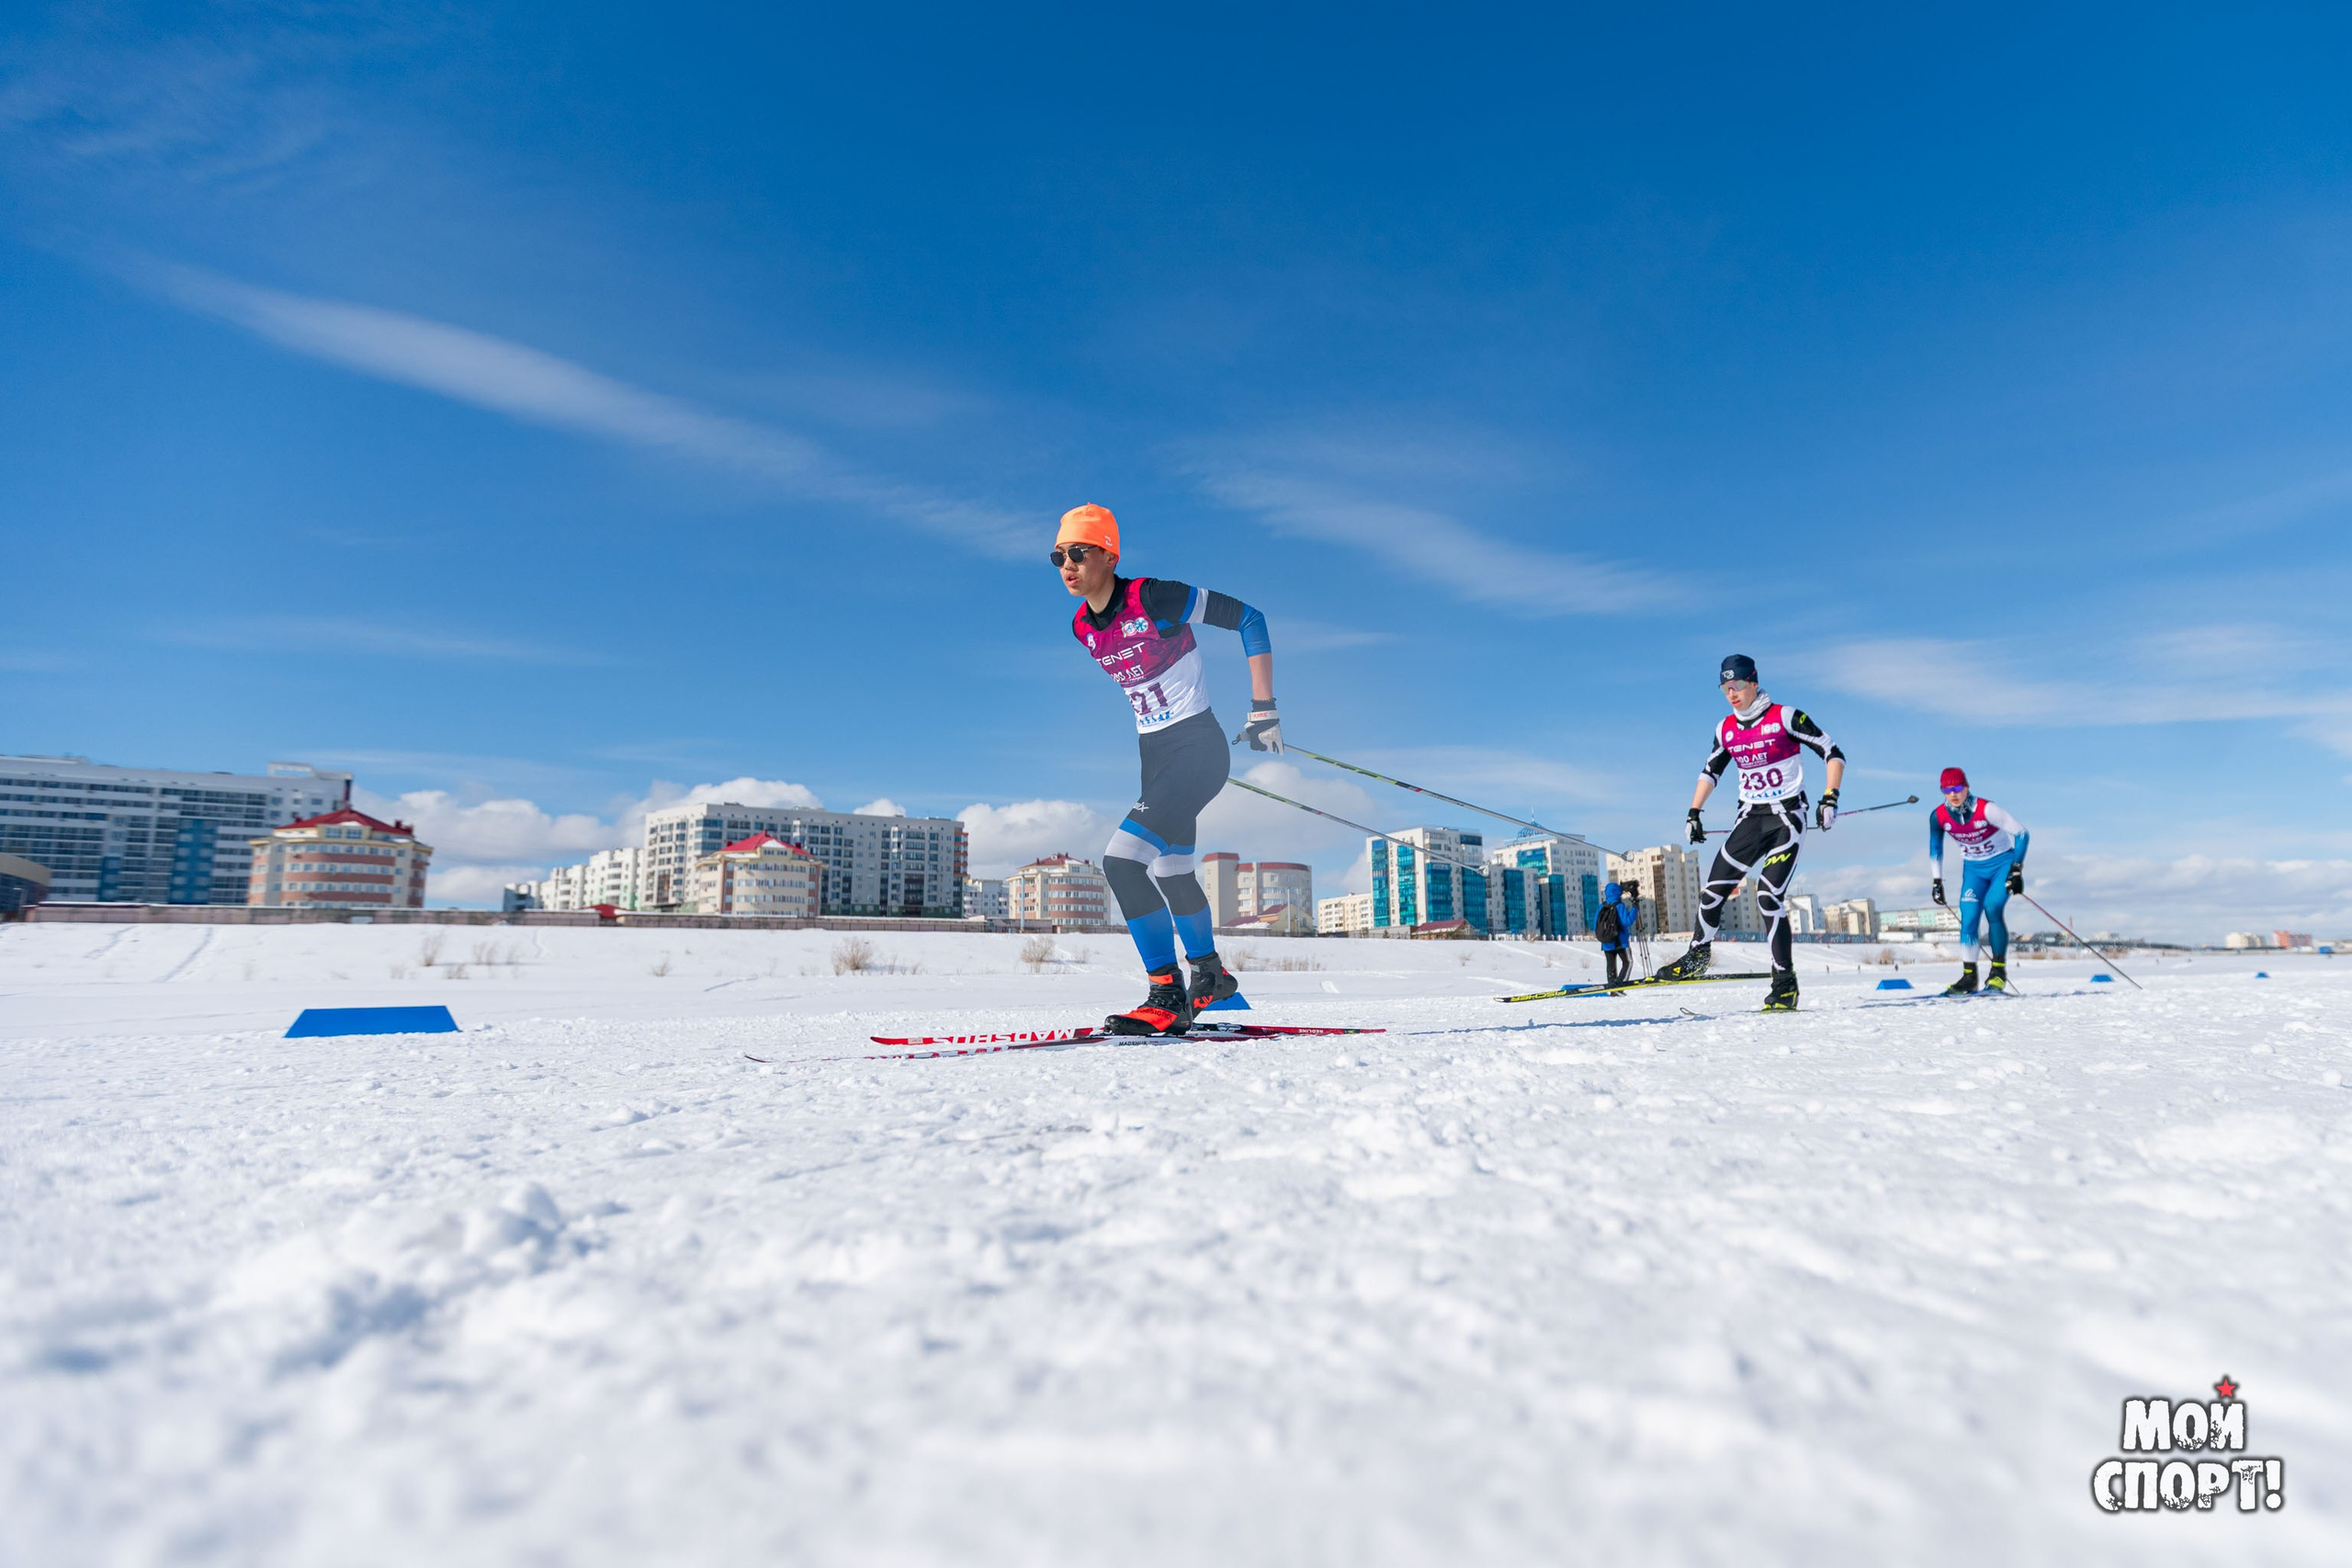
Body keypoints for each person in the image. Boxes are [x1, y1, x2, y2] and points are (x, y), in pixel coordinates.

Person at [1056, 503, 1282, 1035]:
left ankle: (1167, 995)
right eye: (1058, 556)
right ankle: (1210, 977)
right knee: (1171, 871)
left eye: (1078, 552)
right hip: (1153, 756)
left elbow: (1251, 618)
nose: (1066, 564)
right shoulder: (1081, 627)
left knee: (1122, 862)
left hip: (1196, 748)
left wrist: (1264, 708)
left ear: (1109, 554)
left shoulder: (1154, 597)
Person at [1654, 654, 1845, 1011]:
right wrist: (1694, 811)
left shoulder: (1786, 717)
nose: (1732, 693)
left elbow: (1832, 753)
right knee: (1711, 893)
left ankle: (1784, 984)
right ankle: (1696, 957)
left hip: (1787, 820)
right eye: (1725, 688)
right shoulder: (1725, 728)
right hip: (1750, 821)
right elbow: (1711, 771)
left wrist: (1829, 798)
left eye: (1737, 685)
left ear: (1753, 682)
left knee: (1768, 896)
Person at [1928, 766, 2030, 995]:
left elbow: (2022, 833)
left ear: (1966, 787)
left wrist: (2016, 870)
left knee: (1992, 908)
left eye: (1957, 788)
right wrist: (1937, 881)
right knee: (1969, 916)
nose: (1953, 794)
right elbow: (1935, 848)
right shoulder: (1939, 816)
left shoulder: (1987, 809)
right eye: (1947, 789)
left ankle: (1998, 972)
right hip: (1974, 870)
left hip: (2001, 864)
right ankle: (1969, 976)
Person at [1595, 879, 1640, 986]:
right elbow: (1626, 922)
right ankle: (1620, 985)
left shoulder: (1601, 907)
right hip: (1620, 941)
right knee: (1628, 962)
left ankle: (1612, 987)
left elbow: (1595, 925)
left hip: (1606, 942)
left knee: (1611, 966)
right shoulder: (1619, 906)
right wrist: (1634, 909)